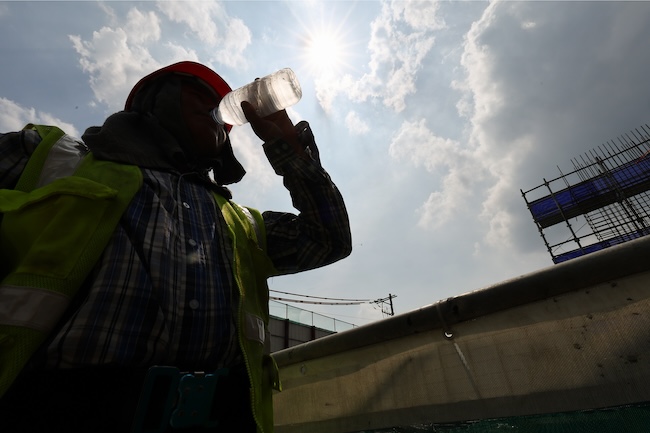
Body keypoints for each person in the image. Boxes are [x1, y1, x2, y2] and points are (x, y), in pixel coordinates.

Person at [0, 61, 352, 432]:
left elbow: (328, 239)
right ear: (156, 102)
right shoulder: (54, 158)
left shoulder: (239, 221)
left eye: (221, 103)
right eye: (201, 92)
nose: (218, 107)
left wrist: (288, 146)